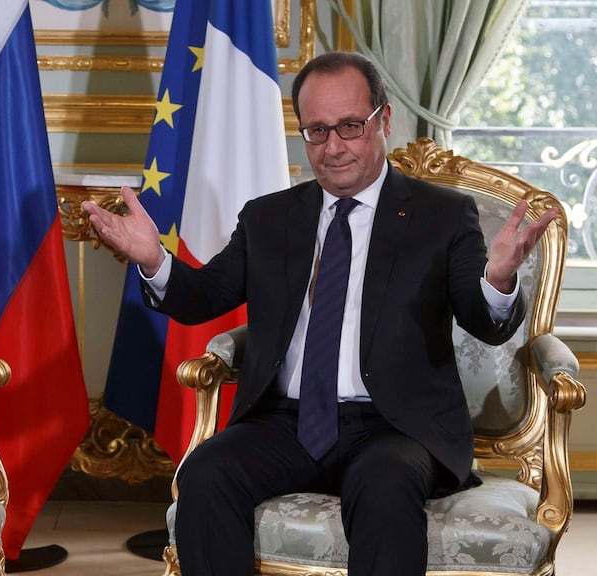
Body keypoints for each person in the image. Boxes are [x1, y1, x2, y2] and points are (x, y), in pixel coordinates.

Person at [82, 51, 557, 576]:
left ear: (384, 121)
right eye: (316, 131)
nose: (333, 147)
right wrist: (154, 260)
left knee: (383, 486)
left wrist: (498, 278)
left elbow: (484, 321)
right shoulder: (269, 217)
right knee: (206, 473)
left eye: (351, 126)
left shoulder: (441, 215)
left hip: (393, 426)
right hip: (284, 422)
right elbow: (203, 297)